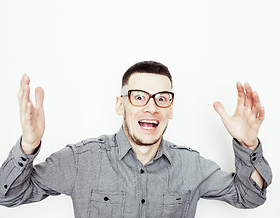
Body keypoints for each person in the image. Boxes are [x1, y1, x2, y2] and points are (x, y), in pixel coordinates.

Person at [0, 61, 272, 218]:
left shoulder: (193, 167)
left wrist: (248, 145)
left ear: (171, 109)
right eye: (139, 97)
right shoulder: (79, 161)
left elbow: (249, 198)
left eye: (162, 98)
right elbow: (8, 195)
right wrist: (28, 145)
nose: (151, 107)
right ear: (120, 105)